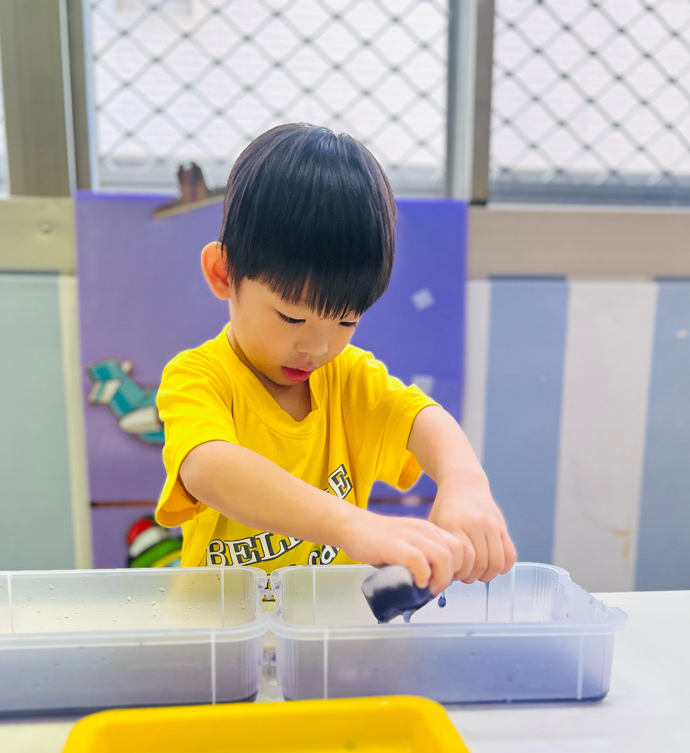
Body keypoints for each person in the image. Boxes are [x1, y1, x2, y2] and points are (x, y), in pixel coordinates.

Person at [155, 123, 516, 594]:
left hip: (325, 628)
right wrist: (353, 526)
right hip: (221, 627)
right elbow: (208, 468)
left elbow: (421, 419)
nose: (318, 348)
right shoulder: (198, 378)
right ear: (224, 273)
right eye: (291, 317)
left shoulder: (349, 378)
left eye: (346, 321)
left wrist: (466, 484)